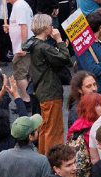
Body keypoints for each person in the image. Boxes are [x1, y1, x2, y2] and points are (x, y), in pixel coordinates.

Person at [23, 16, 74, 154]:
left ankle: (43, 156)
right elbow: (66, 59)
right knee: (54, 130)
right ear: (46, 28)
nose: (53, 28)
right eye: (51, 25)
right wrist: (59, 40)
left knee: (45, 128)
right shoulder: (44, 47)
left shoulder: (33, 44)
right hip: (50, 91)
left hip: (41, 89)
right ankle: (53, 159)